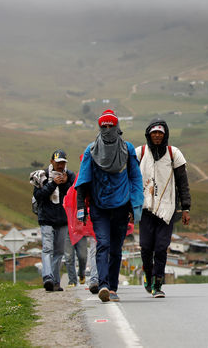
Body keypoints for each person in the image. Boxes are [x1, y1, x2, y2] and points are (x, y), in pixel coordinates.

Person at [75, 110, 143, 303]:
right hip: (99, 206)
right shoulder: (91, 150)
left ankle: (112, 287)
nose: (106, 130)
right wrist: (82, 208)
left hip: (122, 206)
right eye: (103, 126)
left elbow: (135, 178)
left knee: (116, 248)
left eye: (110, 126)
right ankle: (103, 285)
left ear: (117, 127)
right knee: (103, 244)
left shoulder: (128, 149)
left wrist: (135, 206)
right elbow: (83, 180)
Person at [138, 118, 191, 298]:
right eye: (154, 133)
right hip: (145, 207)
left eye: (160, 133)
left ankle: (158, 283)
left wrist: (186, 208)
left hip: (167, 208)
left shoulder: (173, 153)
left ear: (165, 134)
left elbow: (183, 183)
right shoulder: (140, 152)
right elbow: (130, 178)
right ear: (149, 134)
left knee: (161, 247)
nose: (157, 136)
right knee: (146, 247)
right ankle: (147, 274)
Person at [32, 149, 76, 292]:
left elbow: (74, 195)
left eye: (62, 163)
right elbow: (39, 195)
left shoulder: (70, 176)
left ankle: (55, 281)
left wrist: (64, 184)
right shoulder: (42, 175)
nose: (60, 166)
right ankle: (47, 278)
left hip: (63, 219)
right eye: (57, 163)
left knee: (59, 252)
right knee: (47, 249)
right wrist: (53, 184)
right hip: (46, 218)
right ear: (51, 162)